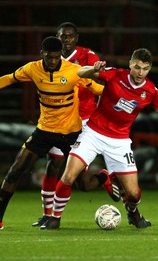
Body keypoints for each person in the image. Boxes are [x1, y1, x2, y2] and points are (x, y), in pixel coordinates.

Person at [0, 36, 105, 230]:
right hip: (44, 130)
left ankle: (104, 177)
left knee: (84, 185)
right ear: (42, 54)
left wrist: (124, 97)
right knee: (16, 169)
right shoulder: (32, 68)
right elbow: (8, 78)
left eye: (57, 57)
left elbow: (100, 89)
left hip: (71, 133)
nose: (53, 61)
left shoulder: (74, 71)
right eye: (49, 57)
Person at [40, 48, 158, 230]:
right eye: (137, 67)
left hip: (119, 141)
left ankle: (133, 212)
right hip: (93, 133)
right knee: (68, 176)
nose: (140, 72)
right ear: (130, 64)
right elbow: (79, 72)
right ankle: (54, 218)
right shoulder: (115, 75)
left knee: (133, 193)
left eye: (145, 68)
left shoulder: (151, 91)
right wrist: (93, 68)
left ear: (150, 68)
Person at [31, 22, 120, 228]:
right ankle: (48, 215)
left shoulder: (88, 56)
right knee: (52, 165)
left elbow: (101, 80)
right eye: (63, 36)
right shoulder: (51, 60)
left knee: (82, 183)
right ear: (57, 38)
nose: (66, 40)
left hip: (85, 121)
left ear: (76, 38)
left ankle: (102, 179)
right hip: (60, 120)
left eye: (70, 36)